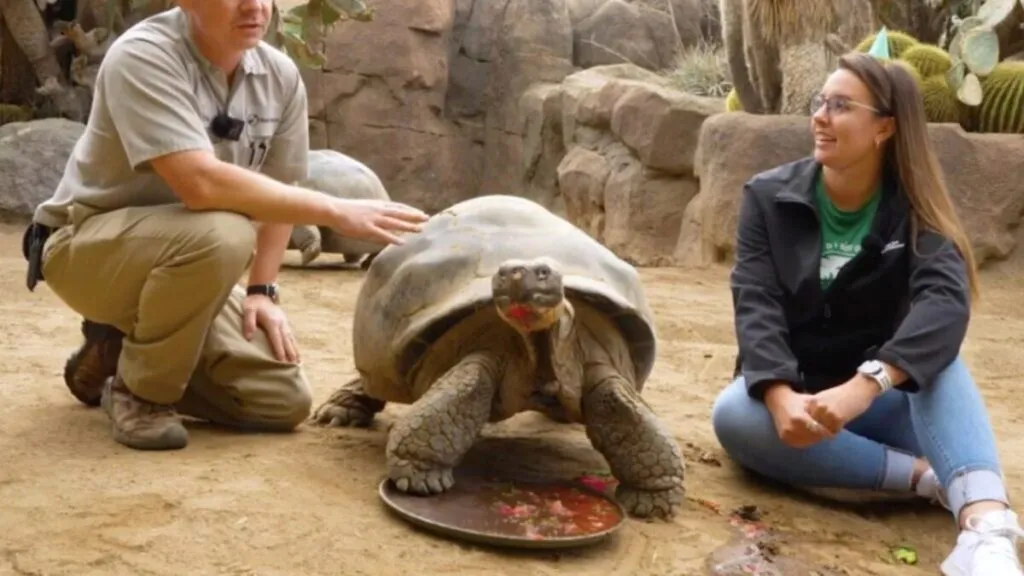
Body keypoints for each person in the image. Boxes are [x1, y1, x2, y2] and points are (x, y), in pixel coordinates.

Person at [22, 0, 428, 452]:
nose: (255, 6)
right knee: (225, 232)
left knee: (280, 403)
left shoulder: (279, 75)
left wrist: (262, 291)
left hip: (186, 263)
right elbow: (199, 184)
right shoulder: (143, 55)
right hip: (86, 248)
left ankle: (115, 353)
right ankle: (141, 396)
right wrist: (335, 209)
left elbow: (279, 189)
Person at [709, 49, 1024, 576]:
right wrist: (779, 395)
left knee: (939, 364)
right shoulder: (767, 197)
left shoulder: (916, 208)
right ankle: (924, 479)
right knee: (734, 414)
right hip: (805, 399)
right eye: (819, 102)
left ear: (884, 128)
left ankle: (987, 531)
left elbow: (944, 304)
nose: (819, 116)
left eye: (839, 105)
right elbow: (755, 301)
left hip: (886, 399)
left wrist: (869, 383)